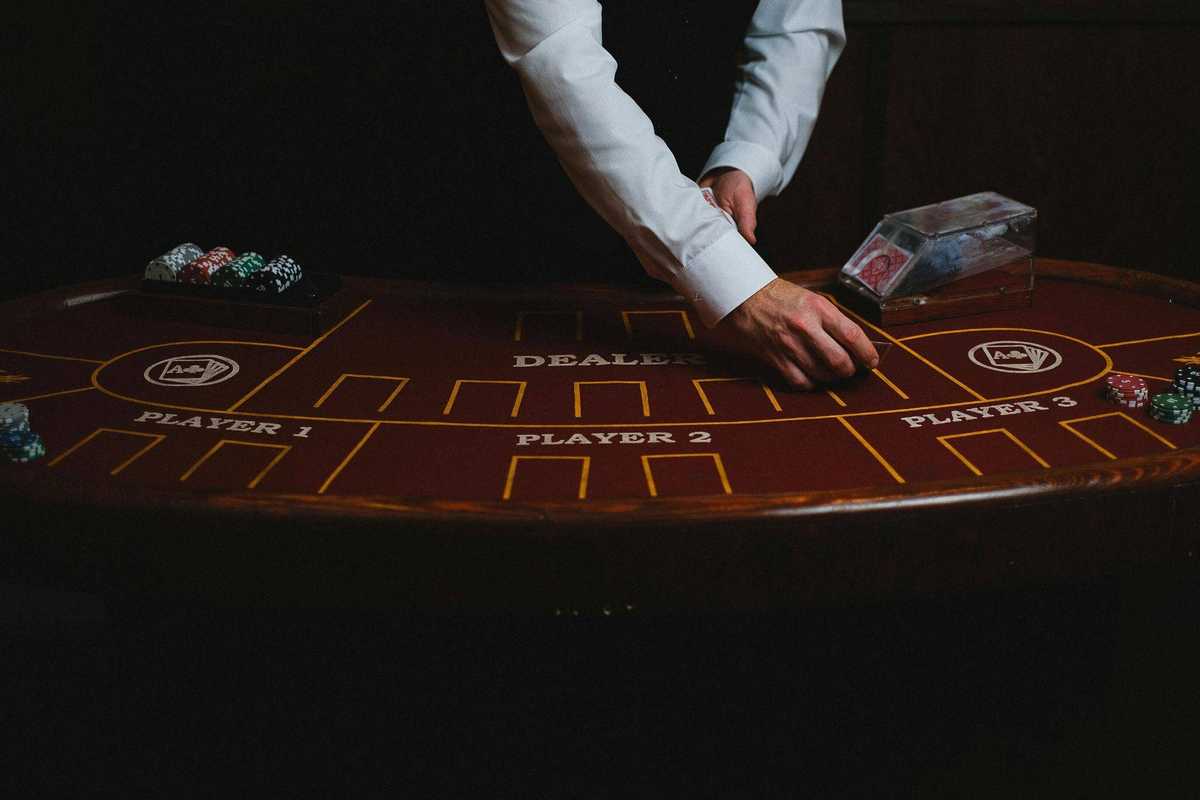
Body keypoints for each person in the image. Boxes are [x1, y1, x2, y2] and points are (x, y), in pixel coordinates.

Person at [485, 0, 878, 389]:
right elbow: (560, 59)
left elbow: (795, 26)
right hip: (517, 246)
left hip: (707, 214)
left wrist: (745, 158)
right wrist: (736, 284)